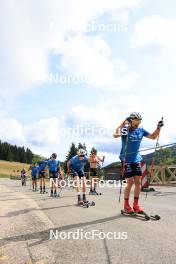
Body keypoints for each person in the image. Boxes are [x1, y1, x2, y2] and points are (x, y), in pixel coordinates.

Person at [113, 112, 164, 213]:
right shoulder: (125, 129)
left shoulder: (141, 130)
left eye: (139, 122)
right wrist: (123, 123)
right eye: (136, 122)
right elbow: (115, 134)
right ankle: (126, 205)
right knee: (130, 182)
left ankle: (135, 205)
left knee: (138, 182)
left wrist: (158, 128)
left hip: (136, 159)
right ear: (131, 121)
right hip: (126, 159)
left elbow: (153, 137)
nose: (138, 124)